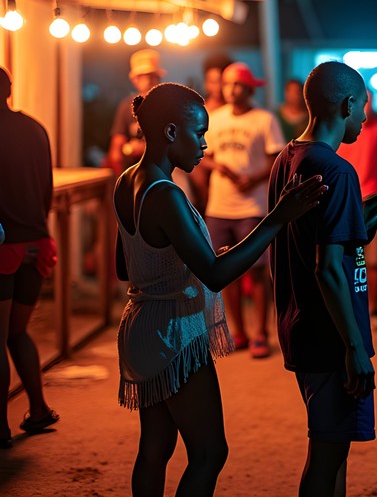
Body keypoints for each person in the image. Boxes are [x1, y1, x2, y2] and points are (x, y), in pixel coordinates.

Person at [113, 81, 325, 497]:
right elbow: (214, 274)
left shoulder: (126, 181)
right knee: (210, 453)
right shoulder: (166, 194)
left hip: (141, 326)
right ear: (171, 132)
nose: (206, 145)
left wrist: (192, 258)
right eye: (199, 133)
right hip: (174, 333)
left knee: (155, 448)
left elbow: (127, 266)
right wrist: (278, 218)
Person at [268, 60, 377, 496]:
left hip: (303, 325)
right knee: (325, 458)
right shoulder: (338, 171)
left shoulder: (288, 158)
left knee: (333, 451)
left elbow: (313, 246)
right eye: (362, 106)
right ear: (346, 104)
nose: (364, 116)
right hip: (331, 335)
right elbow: (326, 270)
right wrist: (355, 348)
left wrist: (363, 226)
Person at [200, 62, 285, 359]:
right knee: (226, 272)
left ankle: (261, 332)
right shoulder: (215, 118)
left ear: (249, 89)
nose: (231, 90)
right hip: (219, 206)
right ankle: (239, 332)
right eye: (227, 85)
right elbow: (203, 155)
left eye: (237, 85)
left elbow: (276, 159)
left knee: (258, 271)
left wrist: (255, 178)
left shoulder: (264, 119)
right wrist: (218, 166)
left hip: (252, 206)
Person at [0, 66, 59, 449]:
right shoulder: (36, 128)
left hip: (3, 249)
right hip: (37, 244)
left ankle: (0, 427)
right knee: (16, 332)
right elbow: (47, 191)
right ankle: (38, 409)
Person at [337, 87, 377, 331]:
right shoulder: (340, 128)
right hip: (344, 202)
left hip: (374, 202)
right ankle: (350, 309)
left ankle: (372, 308)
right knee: (346, 261)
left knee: (373, 261)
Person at [107, 48, 167, 175]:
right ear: (135, 80)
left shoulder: (168, 106)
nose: (148, 80)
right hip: (133, 171)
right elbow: (116, 148)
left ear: (158, 78)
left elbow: (176, 144)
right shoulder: (126, 106)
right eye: (142, 76)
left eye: (152, 76)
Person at [190, 52, 234, 215]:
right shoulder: (201, 111)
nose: (217, 87)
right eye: (212, 81)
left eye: (221, 82)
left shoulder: (239, 111)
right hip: (204, 167)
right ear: (206, 83)